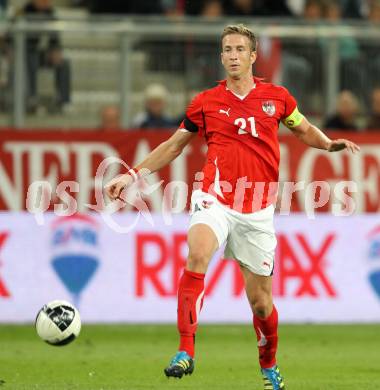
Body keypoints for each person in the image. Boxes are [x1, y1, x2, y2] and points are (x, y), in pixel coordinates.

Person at [105, 24, 360, 390]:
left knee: (260, 303)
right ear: (221, 56)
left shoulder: (277, 98)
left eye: (240, 49)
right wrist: (132, 174)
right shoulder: (205, 102)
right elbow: (175, 145)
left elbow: (302, 130)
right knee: (197, 255)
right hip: (215, 197)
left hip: (257, 210)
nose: (233, 55)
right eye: (227, 50)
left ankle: (269, 364)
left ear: (254, 55)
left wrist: (328, 143)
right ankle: (185, 351)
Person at [18, 0, 71, 112]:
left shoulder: (50, 14)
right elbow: (11, 38)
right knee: (31, 59)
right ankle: (32, 98)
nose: (46, 2)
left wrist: (55, 51)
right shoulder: (23, 12)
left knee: (64, 63)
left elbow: (55, 39)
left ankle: (64, 101)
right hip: (24, 54)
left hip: (43, 53)